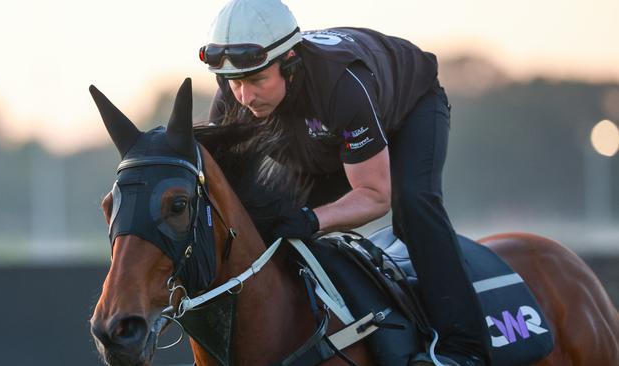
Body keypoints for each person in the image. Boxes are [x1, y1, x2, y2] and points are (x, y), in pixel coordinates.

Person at [200, 1, 488, 365]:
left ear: (290, 63)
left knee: (413, 203)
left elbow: (375, 196)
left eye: (257, 80)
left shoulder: (340, 85)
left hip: (408, 110)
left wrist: (313, 219)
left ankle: (465, 347)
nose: (244, 97)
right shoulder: (233, 96)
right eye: (234, 82)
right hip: (325, 140)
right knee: (269, 222)